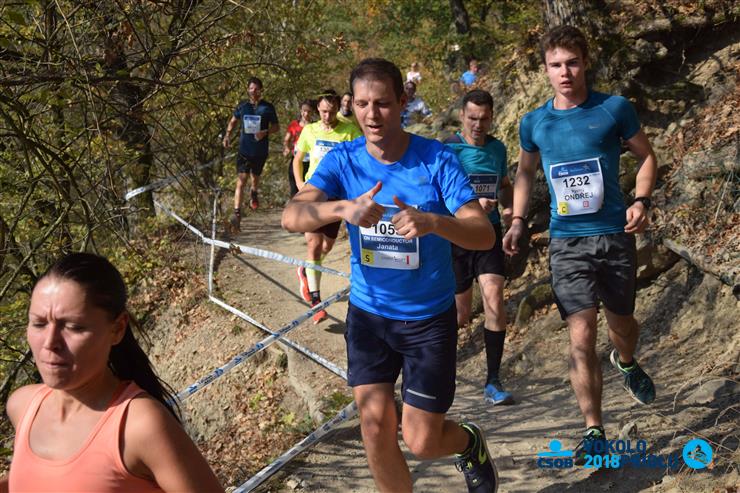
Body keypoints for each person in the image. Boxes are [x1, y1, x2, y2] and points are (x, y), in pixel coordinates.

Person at [282, 58, 499, 493]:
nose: (372, 114)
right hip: (370, 316)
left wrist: (433, 222)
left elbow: (483, 233)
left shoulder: (436, 158)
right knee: (375, 426)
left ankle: (468, 442)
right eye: (362, 104)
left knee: (422, 441)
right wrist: (342, 208)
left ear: (402, 102)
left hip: (428, 320)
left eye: (382, 103)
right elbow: (292, 215)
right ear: (351, 105)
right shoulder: (343, 160)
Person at [502, 25, 658, 463]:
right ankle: (594, 430)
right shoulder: (534, 122)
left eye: (572, 63)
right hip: (566, 242)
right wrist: (517, 221)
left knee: (622, 324)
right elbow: (525, 172)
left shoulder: (613, 109)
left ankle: (625, 360)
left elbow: (646, 156)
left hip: (613, 236)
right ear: (545, 70)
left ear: (585, 62)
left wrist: (641, 200)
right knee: (581, 333)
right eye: (556, 65)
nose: (565, 72)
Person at [1, 253, 223, 493]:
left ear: (117, 329)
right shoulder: (22, 406)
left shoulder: (140, 426)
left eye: (74, 327)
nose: (49, 342)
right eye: (39, 324)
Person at [444, 89, 515, 406]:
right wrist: (470, 204)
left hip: (489, 233)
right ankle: (439, 370)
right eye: (472, 118)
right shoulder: (448, 149)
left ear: (492, 118)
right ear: (462, 116)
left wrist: (509, 210)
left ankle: (493, 380)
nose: (478, 124)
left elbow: (505, 185)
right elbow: (436, 194)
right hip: (456, 235)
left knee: (494, 299)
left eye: (484, 118)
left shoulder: (497, 149)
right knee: (460, 314)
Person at [292, 89, 361, 324]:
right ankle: (316, 302)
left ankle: (306, 271)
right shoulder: (310, 130)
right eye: (323, 111)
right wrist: (300, 184)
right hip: (313, 194)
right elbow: (297, 159)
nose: (327, 116)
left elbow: (360, 159)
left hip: (336, 197)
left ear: (337, 109)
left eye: (331, 112)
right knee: (313, 245)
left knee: (326, 247)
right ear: (318, 110)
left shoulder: (349, 130)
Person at [222, 76, 279, 229]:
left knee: (255, 178)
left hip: (260, 151)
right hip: (244, 150)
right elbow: (233, 121)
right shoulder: (242, 106)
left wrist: (265, 132)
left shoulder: (267, 107)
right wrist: (227, 135)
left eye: (256, 88)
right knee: (241, 181)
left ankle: (254, 192)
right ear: (248, 90)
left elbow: (276, 127)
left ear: (261, 90)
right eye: (251, 88)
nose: (253, 91)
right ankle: (237, 213)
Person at [283, 100, 314, 197]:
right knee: (294, 189)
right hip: (296, 159)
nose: (306, 114)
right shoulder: (294, 124)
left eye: (309, 111)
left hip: (311, 162)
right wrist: (287, 148)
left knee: (308, 190)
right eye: (304, 111)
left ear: (312, 112)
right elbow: (287, 139)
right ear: (301, 111)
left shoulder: (315, 126)